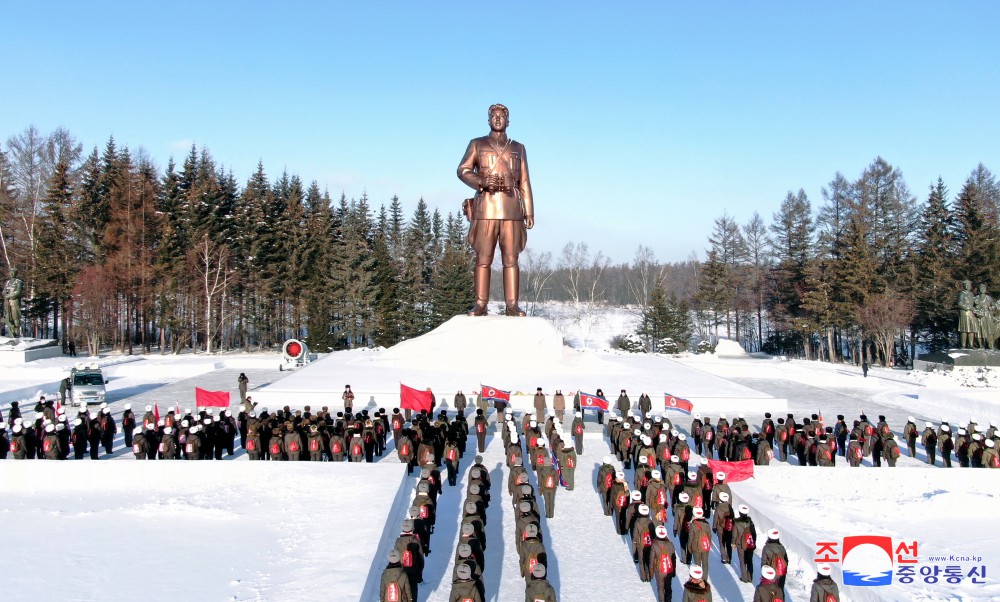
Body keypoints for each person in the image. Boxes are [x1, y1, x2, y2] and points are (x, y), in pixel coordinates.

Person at [457, 103, 534, 316]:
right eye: (494, 116)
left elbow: (525, 181)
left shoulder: (518, 148)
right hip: (486, 210)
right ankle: (481, 304)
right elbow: (462, 170)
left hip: (511, 211)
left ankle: (512, 304)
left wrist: (529, 211)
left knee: (511, 259)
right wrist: (481, 181)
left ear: (508, 121)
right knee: (483, 258)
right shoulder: (477, 144)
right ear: (488, 119)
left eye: (502, 116)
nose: (498, 119)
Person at [649, 524, 677, 602]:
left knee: (660, 587)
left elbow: (651, 559)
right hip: (669, 569)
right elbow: (674, 558)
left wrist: (651, 572)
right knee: (668, 587)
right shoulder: (670, 544)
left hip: (659, 570)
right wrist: (674, 570)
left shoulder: (654, 545)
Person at [3, 267, 24, 337]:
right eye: (10, 272)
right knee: (9, 317)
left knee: (15, 317)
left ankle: (17, 332)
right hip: (7, 302)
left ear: (16, 273)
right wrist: (4, 294)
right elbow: (4, 291)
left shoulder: (19, 282)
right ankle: (11, 332)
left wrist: (9, 296)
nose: (11, 273)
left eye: (13, 272)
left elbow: (18, 292)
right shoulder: (8, 282)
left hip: (14, 302)